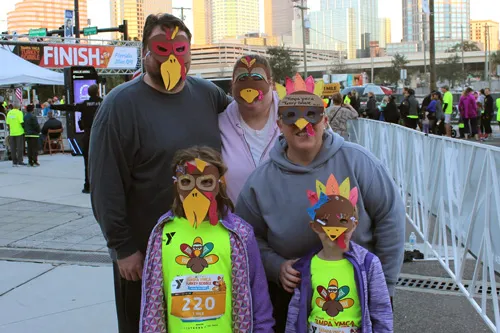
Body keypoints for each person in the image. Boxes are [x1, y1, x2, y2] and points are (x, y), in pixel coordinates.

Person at [89, 13, 231, 333]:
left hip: (204, 250)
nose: (172, 57)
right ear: (145, 52)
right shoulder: (119, 106)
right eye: (162, 48)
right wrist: (123, 248)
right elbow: (104, 184)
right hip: (145, 255)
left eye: (180, 49)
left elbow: (251, 124)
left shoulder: (208, 95)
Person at [236, 90, 405, 332]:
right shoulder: (260, 181)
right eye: (292, 117)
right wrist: (276, 266)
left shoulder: (359, 162)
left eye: (312, 116)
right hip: (293, 294)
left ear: (325, 121)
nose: (303, 125)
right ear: (279, 125)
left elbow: (390, 219)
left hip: (357, 288)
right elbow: (247, 237)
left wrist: (385, 285)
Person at [139, 146, 274, 332]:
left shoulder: (240, 234)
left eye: (206, 182)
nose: (196, 191)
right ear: (176, 184)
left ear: (219, 184)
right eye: (186, 181)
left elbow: (259, 297)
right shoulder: (162, 233)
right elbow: (152, 300)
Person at [285, 180, 393, 332]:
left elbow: (381, 311)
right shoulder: (306, 266)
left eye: (343, 221)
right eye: (325, 221)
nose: (334, 230)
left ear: (354, 224)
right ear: (314, 226)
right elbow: (295, 313)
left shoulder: (368, 264)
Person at [219, 55, 280, 203]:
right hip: (236, 222)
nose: (250, 89)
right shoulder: (219, 124)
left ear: (271, 83)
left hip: (288, 224)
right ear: (232, 85)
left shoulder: (293, 116)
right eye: (242, 79)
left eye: (258, 78)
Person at [53, 84, 103, 193]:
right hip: (101, 135)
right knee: (103, 161)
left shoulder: (84, 105)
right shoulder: (103, 103)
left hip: (88, 134)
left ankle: (88, 185)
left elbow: (69, 107)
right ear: (98, 92)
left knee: (87, 161)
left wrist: (52, 106)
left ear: (88, 93)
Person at [6, 101, 25, 166]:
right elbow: (21, 122)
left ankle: (14, 161)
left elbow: (7, 123)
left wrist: (10, 130)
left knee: (13, 148)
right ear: (18, 106)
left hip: (12, 132)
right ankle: (20, 161)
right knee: (20, 147)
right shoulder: (19, 113)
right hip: (19, 132)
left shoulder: (9, 113)